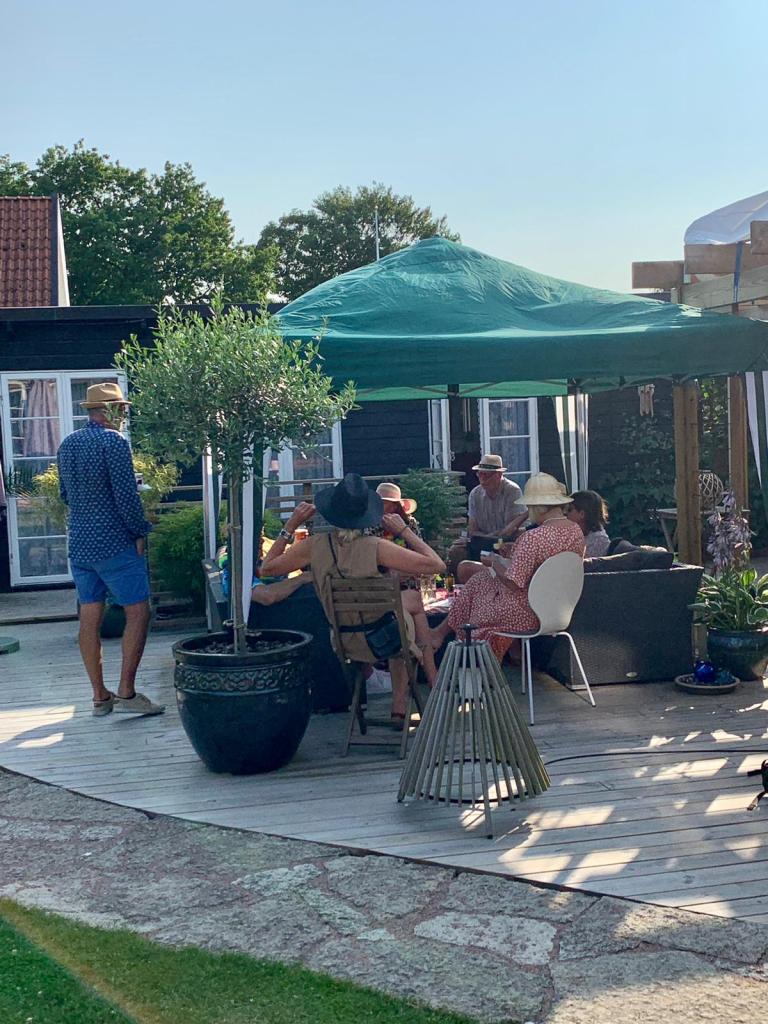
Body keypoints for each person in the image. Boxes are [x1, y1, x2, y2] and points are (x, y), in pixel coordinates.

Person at [260, 473, 446, 724]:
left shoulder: (313, 546)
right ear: (365, 515)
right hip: (384, 639)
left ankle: (420, 688)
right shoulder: (376, 546)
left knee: (407, 609)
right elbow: (437, 565)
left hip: (343, 641)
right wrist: (405, 531)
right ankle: (415, 693)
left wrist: (291, 524)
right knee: (407, 619)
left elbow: (266, 569)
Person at [57, 382, 163, 717]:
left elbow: (64, 494)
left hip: (80, 543)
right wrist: (140, 531)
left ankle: (100, 697)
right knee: (138, 612)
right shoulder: (114, 442)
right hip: (114, 542)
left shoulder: (68, 443)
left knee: (90, 615)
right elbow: (126, 498)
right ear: (111, 411)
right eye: (122, 409)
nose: (124, 415)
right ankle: (127, 693)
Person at [430, 473, 585, 661]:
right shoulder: (575, 532)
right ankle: (442, 634)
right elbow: (546, 567)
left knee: (477, 604)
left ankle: (473, 662)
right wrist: (515, 551)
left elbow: (513, 582)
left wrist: (493, 562)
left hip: (527, 612)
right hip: (559, 608)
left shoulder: (534, 537)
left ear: (539, 507)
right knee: (480, 580)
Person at [447, 454, 528, 573]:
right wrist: (479, 539)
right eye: (480, 474)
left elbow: (509, 532)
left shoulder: (512, 491)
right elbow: (473, 530)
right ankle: (458, 583)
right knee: (456, 551)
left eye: (486, 475)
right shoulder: (475, 494)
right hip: (482, 543)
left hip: (505, 543)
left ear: (499, 475)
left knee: (507, 548)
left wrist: (484, 538)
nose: (482, 479)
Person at [567, 490, 611, 557]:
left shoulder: (598, 540)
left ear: (582, 514)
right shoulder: (580, 534)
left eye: (569, 510)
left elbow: (580, 562)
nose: (565, 513)